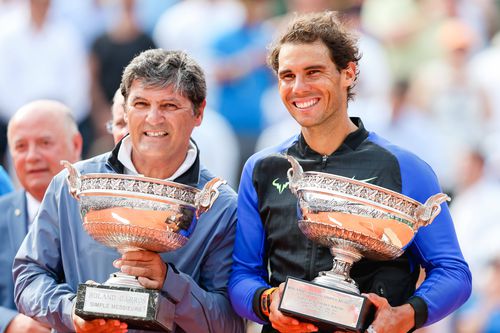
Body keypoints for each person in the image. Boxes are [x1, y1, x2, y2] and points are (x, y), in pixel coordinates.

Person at [229, 11, 471, 333]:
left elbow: (453, 271)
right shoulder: (261, 167)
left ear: (348, 73)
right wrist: (268, 301)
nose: (299, 88)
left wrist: (406, 315)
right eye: (288, 76)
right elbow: (243, 274)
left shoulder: (406, 168)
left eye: (313, 72)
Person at [13, 49, 245, 333]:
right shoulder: (74, 184)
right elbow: (29, 277)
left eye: (170, 106)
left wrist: (169, 282)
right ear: (125, 108)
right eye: (141, 103)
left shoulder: (220, 206)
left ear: (199, 113)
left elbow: (230, 324)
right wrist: (71, 311)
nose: (153, 118)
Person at [0, 100, 82, 333]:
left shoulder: (102, 214)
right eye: (21, 146)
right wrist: (9, 323)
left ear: (76, 145)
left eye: (45, 143)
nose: (32, 156)